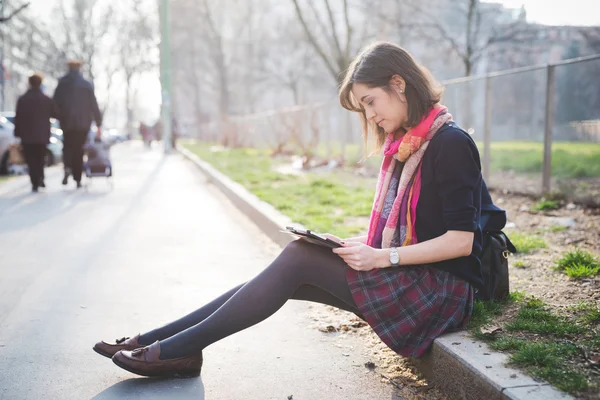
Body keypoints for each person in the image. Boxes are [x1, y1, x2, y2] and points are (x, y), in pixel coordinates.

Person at [94, 41, 495, 378]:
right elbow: (415, 229)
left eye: (371, 102)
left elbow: (461, 242)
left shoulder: (450, 143)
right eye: (363, 108)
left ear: (399, 83)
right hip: (410, 276)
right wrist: (363, 249)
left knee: (298, 259)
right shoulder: (409, 144)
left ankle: (175, 349)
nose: (371, 116)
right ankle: (164, 342)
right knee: (296, 268)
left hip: (441, 294)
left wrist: (381, 256)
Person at [53, 60, 102, 189]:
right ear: (79, 69)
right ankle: (78, 178)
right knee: (79, 149)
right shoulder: (86, 84)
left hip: (67, 122)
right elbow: (93, 104)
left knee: (67, 146)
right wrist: (98, 123)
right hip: (83, 123)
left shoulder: (62, 83)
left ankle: (68, 167)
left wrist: (59, 116)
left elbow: (55, 103)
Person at [13, 73, 57, 192]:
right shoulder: (46, 99)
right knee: (40, 158)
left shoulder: (22, 99)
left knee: (30, 159)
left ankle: (34, 182)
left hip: (27, 135)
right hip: (42, 134)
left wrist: (17, 133)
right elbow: (55, 114)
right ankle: (40, 177)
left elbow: (18, 118)